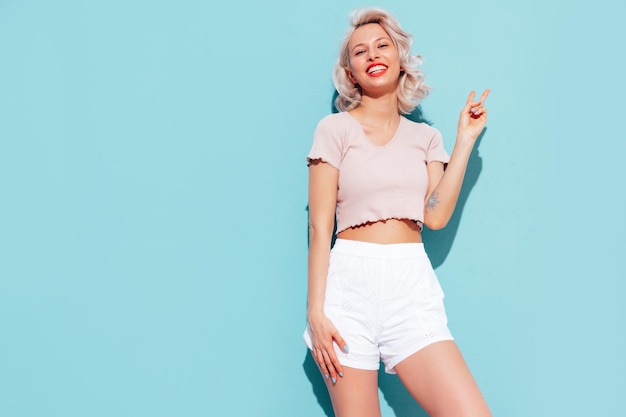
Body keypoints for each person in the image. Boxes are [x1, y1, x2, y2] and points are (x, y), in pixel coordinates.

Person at [303, 7, 492, 417]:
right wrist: (316, 312)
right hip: (348, 290)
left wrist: (464, 140)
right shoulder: (333, 130)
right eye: (360, 51)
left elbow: (435, 216)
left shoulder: (426, 137)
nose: (372, 54)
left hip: (410, 288)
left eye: (382, 45)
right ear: (350, 72)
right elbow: (319, 228)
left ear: (399, 58)